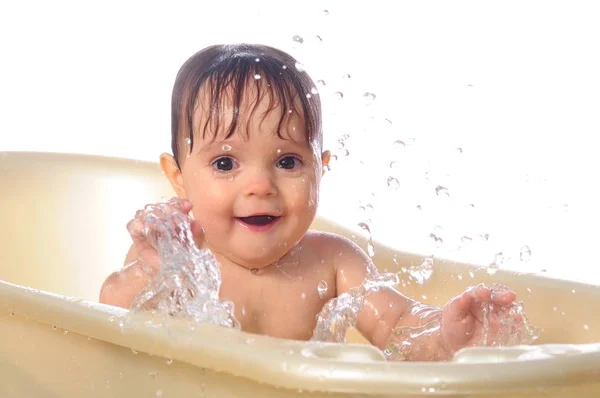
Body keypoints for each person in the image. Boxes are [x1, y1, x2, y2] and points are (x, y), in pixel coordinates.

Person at [99, 44, 520, 361]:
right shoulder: (178, 255)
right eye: (225, 163)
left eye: (287, 161)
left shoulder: (334, 262)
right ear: (178, 178)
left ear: (321, 169)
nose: (260, 185)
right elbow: (109, 319)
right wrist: (149, 270)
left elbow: (396, 327)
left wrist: (445, 336)